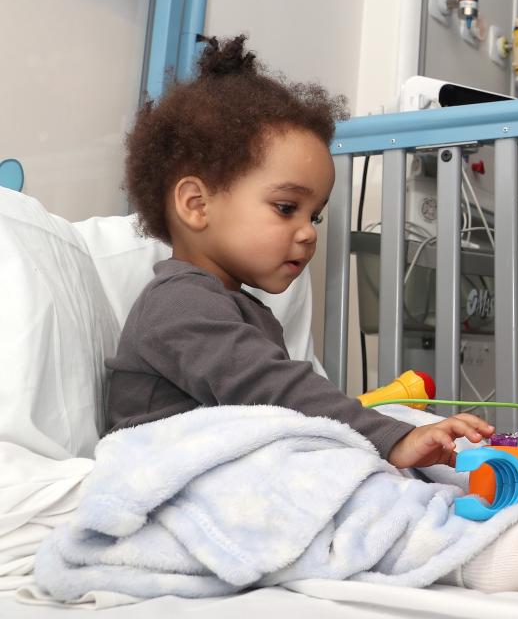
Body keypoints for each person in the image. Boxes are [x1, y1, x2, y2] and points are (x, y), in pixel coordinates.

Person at [106, 35, 493, 469]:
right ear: (197, 205)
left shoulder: (238, 307)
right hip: (172, 477)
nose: (308, 233)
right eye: (286, 208)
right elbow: (275, 390)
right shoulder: (178, 304)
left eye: (315, 216)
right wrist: (390, 437)